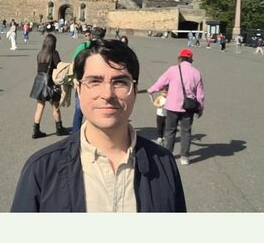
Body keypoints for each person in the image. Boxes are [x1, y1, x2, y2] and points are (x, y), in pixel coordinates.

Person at [11, 39, 186, 212]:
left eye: (120, 82)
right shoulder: (41, 170)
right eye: (94, 81)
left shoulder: (165, 164)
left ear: (134, 90)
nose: (107, 94)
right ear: (79, 89)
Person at [147, 48, 205, 166]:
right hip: (188, 108)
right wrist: (200, 108)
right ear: (190, 59)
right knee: (186, 132)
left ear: (180, 58)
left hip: (172, 106)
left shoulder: (173, 70)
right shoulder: (196, 73)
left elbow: (161, 82)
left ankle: (168, 154)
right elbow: (200, 95)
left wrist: (151, 89)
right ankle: (185, 157)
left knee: (170, 131)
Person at [28, 34, 69, 138]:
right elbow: (59, 67)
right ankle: (59, 128)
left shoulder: (40, 54)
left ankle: (35, 130)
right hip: (50, 82)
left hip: (39, 81)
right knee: (55, 106)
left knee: (39, 106)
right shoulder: (54, 54)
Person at [70, 27, 105, 133]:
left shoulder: (82, 47)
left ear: (91, 35)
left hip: (82, 82)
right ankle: (97, 133)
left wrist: (75, 78)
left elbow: (73, 64)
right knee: (98, 108)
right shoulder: (105, 49)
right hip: (99, 83)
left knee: (79, 109)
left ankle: (75, 134)